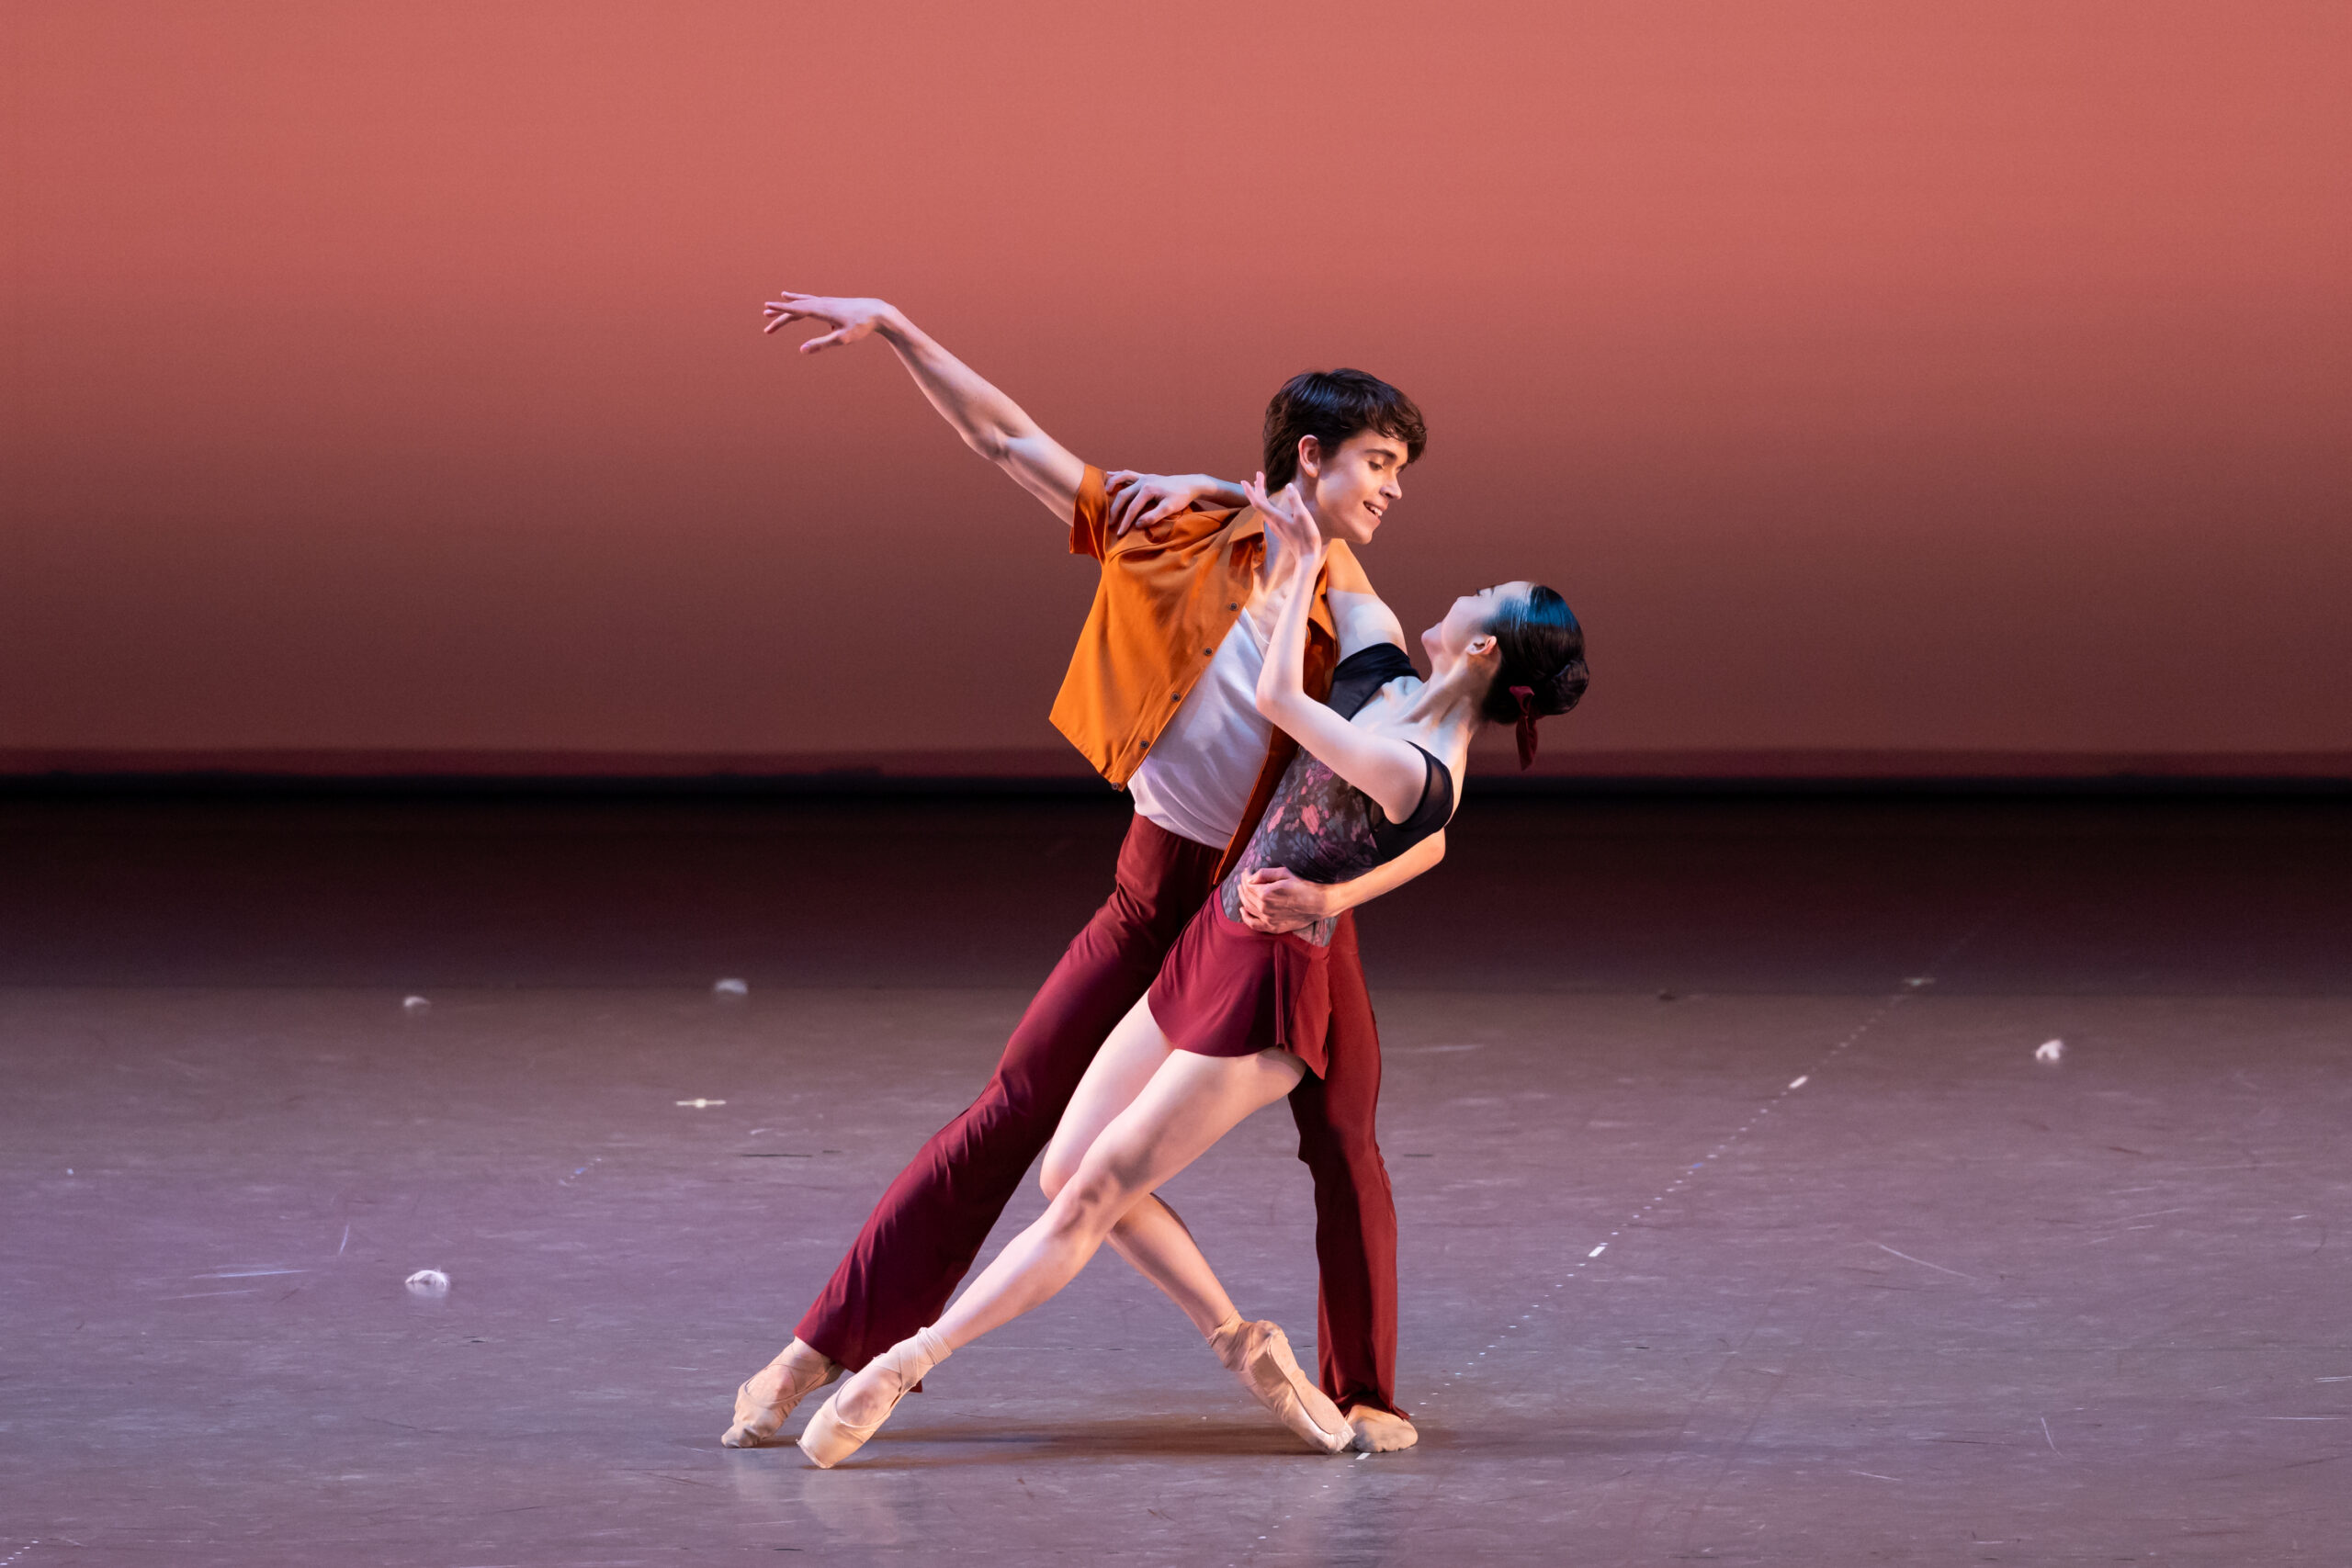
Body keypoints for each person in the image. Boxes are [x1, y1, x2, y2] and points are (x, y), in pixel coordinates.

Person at [725, 292, 1441, 1454]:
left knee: (1342, 1131)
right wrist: (899, 329)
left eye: (1401, 469)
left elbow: (1406, 766)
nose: (1394, 487)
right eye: (1379, 461)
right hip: (1154, 887)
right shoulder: (1170, 528)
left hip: (1274, 898)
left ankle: (1363, 1390)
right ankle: (825, 1345)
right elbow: (1006, 440)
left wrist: (1333, 893)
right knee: (1014, 1108)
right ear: (1311, 455)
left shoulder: (1357, 606)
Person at [794, 473, 1589, 1466]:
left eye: (1487, 595)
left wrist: (1299, 570)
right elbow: (1325, 528)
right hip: (1212, 940)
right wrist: (1206, 491)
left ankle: (900, 1365)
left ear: (1483, 649)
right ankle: (1242, 1341)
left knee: (1092, 1195)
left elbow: (1284, 702)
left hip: (1269, 994)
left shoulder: (1421, 770)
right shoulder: (1385, 672)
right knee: (1066, 1172)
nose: (1467, 589)